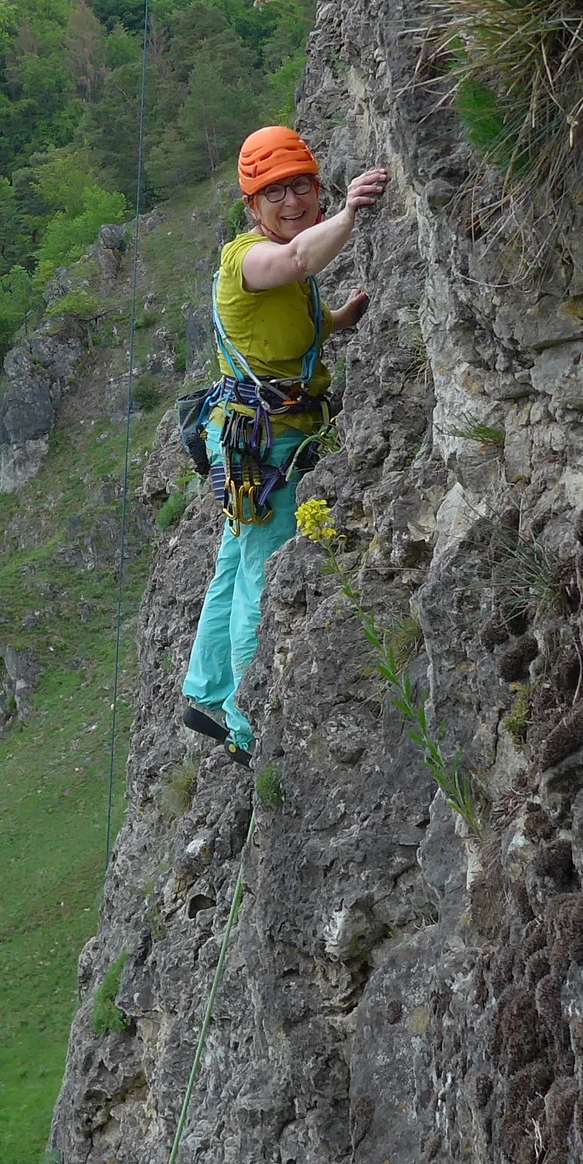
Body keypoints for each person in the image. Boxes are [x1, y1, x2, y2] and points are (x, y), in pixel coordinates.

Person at [180, 126, 388, 759]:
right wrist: (352, 213)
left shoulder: (279, 264)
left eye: (302, 187)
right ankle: (243, 721)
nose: (291, 201)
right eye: (275, 193)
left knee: (232, 561)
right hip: (266, 444)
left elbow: (283, 325)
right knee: (262, 571)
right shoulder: (244, 259)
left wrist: (335, 323)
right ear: (252, 207)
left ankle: (208, 691)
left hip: (253, 434)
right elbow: (294, 262)